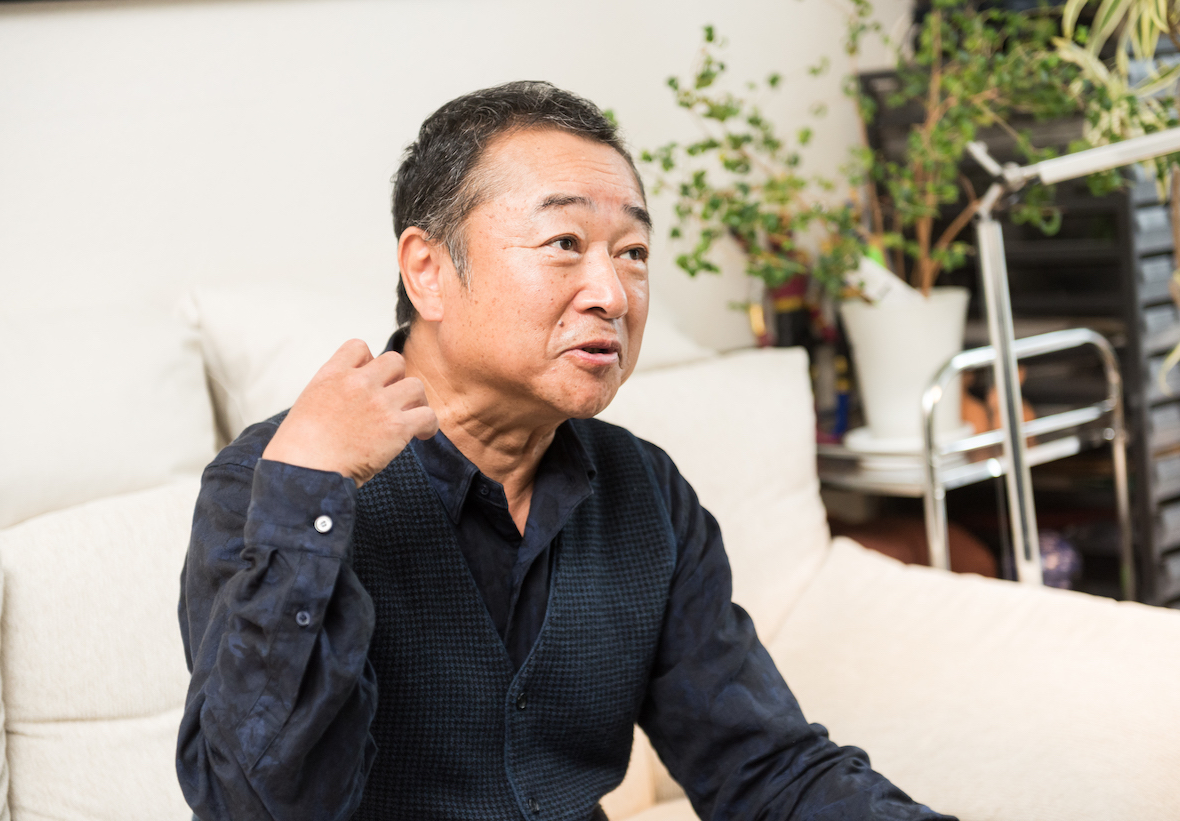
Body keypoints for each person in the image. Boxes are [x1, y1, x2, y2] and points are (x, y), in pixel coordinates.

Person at [176, 80, 954, 821]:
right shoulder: (269, 484)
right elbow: (254, 805)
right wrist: (309, 491)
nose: (612, 295)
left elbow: (765, 765)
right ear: (428, 271)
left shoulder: (643, 487)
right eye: (564, 242)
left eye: (633, 252)